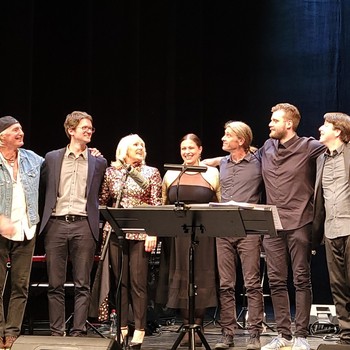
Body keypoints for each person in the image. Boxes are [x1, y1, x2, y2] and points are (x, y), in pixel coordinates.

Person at [259, 103, 326, 350]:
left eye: (275, 120)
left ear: (289, 123)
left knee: (301, 279)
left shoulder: (309, 146)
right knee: (276, 280)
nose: (270, 123)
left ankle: (301, 335)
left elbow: (338, 147)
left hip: (300, 221)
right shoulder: (267, 147)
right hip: (272, 224)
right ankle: (283, 335)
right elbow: (244, 159)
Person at [38, 111, 107, 337]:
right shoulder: (52, 158)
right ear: (71, 130)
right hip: (56, 224)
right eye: (84, 128)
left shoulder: (98, 161)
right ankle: (57, 333)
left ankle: (78, 331)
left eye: (91, 128)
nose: (89, 131)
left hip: (84, 225)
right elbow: (43, 189)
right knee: (55, 284)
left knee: (82, 284)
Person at [99, 134, 162, 349]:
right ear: (123, 149)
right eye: (136, 144)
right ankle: (122, 327)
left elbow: (156, 204)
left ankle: (140, 329)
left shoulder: (151, 173)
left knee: (138, 282)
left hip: (141, 233)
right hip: (116, 232)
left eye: (143, 145)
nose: (141, 147)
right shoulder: (112, 172)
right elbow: (103, 200)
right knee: (121, 281)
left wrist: (152, 232)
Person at [161, 133, 220, 347]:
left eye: (191, 148)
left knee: (202, 278)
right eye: (183, 148)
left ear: (200, 150)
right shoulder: (170, 174)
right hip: (178, 236)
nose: (187, 152)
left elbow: (219, 202)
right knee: (182, 278)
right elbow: (163, 203)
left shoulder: (212, 173)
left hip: (204, 235)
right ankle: (186, 325)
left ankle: (199, 324)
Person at [213, 121, 264, 350]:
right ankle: (228, 334)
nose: (223, 138)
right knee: (225, 284)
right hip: (223, 230)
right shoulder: (221, 163)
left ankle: (254, 333)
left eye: (228, 135)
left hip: (249, 231)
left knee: (252, 284)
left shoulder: (258, 161)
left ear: (241, 140)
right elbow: (201, 162)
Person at [0, 116, 44, 349]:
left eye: (21, 129)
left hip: (27, 228)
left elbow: (57, 162)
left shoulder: (31, 159)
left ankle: (12, 333)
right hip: (0, 230)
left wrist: (90, 154)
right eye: (15, 130)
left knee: (20, 285)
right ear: (2, 137)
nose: (21, 133)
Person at [312, 112, 350, 345]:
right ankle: (347, 331)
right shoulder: (320, 159)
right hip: (330, 229)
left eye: (325, 125)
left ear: (338, 131)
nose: (320, 128)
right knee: (337, 284)